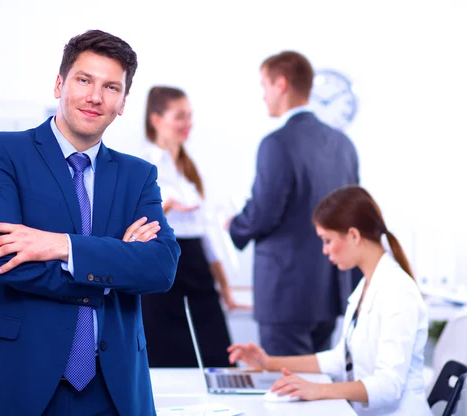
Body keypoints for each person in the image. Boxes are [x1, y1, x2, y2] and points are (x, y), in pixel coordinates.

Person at [0, 30, 180, 416]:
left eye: (111, 87)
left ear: (122, 103)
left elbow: (161, 268)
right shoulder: (2, 153)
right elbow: (2, 263)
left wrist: (61, 246)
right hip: (14, 377)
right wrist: (114, 265)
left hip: (113, 387)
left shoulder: (139, 176)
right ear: (59, 84)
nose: (95, 97)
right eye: (84, 80)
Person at [228, 185, 432, 415]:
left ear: (354, 235)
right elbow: (340, 358)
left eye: (327, 240)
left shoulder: (397, 291)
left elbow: (389, 386)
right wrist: (268, 363)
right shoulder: (366, 286)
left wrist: (319, 390)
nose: (325, 251)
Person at [226, 51, 360, 356]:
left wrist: (235, 225)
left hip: (286, 294)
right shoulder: (343, 144)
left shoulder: (277, 143)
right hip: (330, 287)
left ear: (281, 84)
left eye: (265, 85)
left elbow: (263, 213)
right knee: (316, 385)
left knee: (290, 387)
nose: (263, 96)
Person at [140, 86, 243, 368]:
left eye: (190, 116)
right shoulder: (141, 166)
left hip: (196, 265)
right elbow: (130, 228)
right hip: (161, 266)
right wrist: (168, 207)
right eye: (180, 116)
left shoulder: (190, 168)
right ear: (157, 119)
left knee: (216, 352)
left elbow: (208, 233)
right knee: (163, 355)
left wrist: (225, 287)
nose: (188, 124)